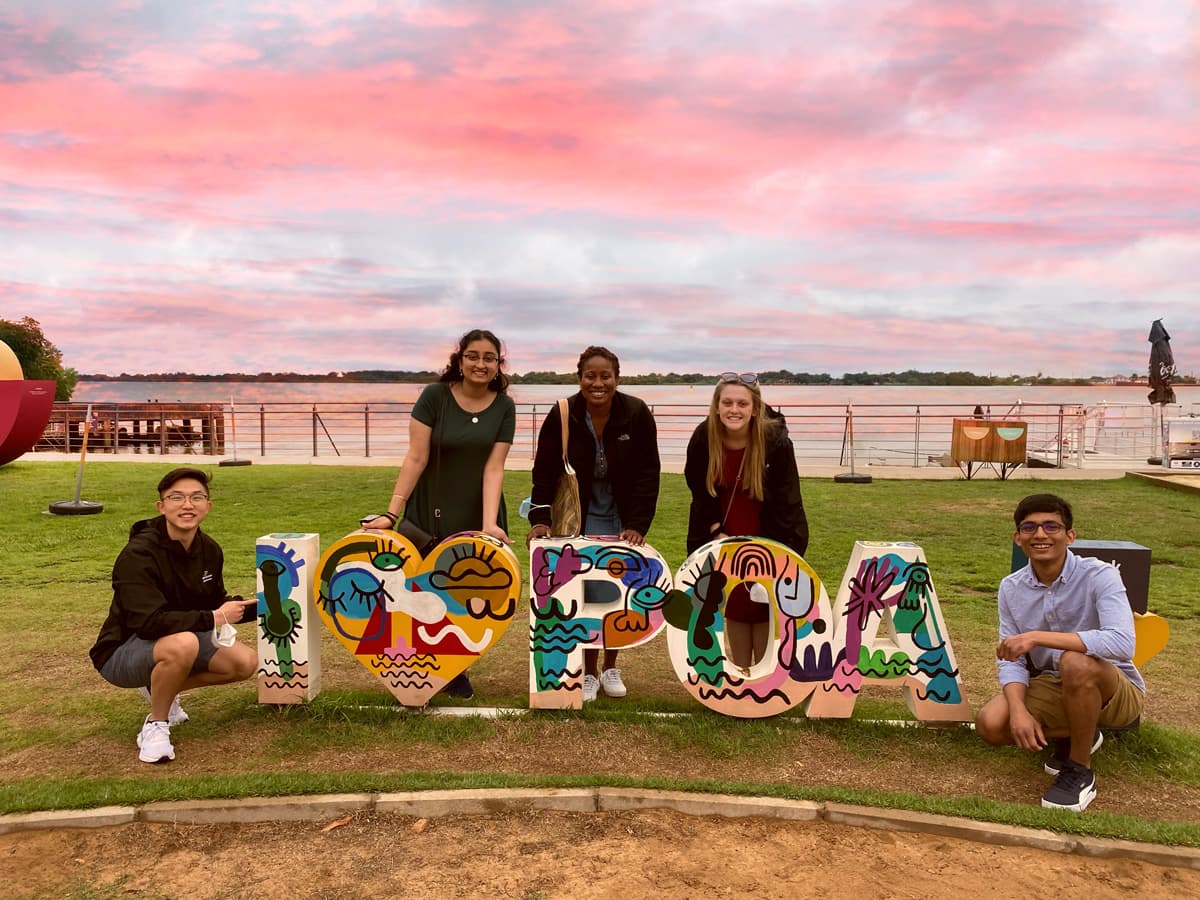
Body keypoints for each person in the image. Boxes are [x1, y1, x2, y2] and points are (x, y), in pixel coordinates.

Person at [361, 328, 517, 700]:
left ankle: (454, 667)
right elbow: (416, 457)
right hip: (429, 511)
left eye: (489, 358)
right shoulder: (434, 397)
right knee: (423, 592)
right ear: (459, 360)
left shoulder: (504, 406)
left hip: (478, 511)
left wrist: (489, 523)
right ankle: (423, 665)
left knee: (466, 596)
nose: (481, 364)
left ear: (498, 365)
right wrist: (390, 513)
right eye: (473, 356)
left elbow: (494, 468)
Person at [975, 494, 1144, 813]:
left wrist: (1037, 637)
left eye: (1051, 526)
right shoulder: (1011, 587)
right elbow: (1009, 659)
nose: (1040, 535)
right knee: (991, 724)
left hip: (1115, 689)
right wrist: (1019, 711)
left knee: (1075, 661)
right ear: (1018, 538)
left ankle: (1079, 771)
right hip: (1054, 684)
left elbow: (1122, 643)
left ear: (1070, 535)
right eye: (1030, 527)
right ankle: (1082, 730)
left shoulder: (1100, 575)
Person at [89, 467, 258, 764]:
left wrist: (255, 606)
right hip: (123, 650)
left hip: (180, 638)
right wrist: (215, 618)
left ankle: (159, 684)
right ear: (161, 506)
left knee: (245, 663)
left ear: (208, 505)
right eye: (176, 497)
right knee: (184, 644)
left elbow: (213, 602)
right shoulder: (138, 555)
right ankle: (156, 726)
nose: (187, 505)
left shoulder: (210, 550)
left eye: (196, 497)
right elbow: (149, 622)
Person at [527, 346, 661, 702]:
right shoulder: (563, 413)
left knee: (617, 594)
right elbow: (544, 469)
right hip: (578, 517)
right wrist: (540, 518)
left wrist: (637, 523)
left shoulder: (636, 413)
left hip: (621, 518)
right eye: (591, 376)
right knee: (583, 593)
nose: (598, 383)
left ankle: (610, 667)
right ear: (579, 378)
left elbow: (649, 472)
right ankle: (586, 672)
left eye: (605, 376)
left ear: (617, 378)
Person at [684, 372, 809, 675]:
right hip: (722, 528)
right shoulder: (704, 437)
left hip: (767, 527)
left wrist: (774, 550)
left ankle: (765, 675)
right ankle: (740, 673)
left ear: (755, 408)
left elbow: (787, 500)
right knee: (733, 598)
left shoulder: (775, 442)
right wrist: (716, 530)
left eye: (742, 403)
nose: (734, 409)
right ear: (716, 406)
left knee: (763, 596)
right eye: (727, 402)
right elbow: (699, 491)